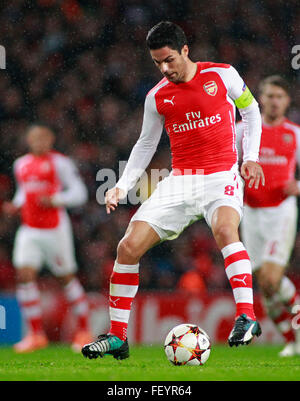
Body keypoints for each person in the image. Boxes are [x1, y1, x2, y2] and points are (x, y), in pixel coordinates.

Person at [82, 21, 265, 360]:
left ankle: (247, 316)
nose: (165, 69)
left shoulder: (222, 75)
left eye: (169, 60)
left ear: (185, 50)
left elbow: (251, 111)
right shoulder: (157, 97)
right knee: (128, 247)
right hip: (181, 180)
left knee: (226, 229)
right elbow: (146, 143)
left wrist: (250, 158)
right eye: (157, 63)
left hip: (220, 173)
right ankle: (118, 337)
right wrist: (121, 186)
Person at [2, 123, 92, 353]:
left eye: (43, 138)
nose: (39, 142)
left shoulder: (60, 163)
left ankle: (84, 330)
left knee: (66, 279)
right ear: (29, 141)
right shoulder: (20, 164)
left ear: (50, 140)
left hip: (55, 229)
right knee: (24, 275)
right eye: (35, 138)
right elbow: (24, 192)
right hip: (29, 229)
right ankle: (35, 334)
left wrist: (55, 200)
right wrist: (16, 204)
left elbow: (79, 193)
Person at [237, 75, 300, 357]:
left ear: (287, 101)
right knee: (264, 284)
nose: (274, 101)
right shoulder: (243, 130)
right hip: (250, 213)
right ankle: (292, 340)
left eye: (280, 96)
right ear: (260, 99)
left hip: (281, 211)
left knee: (273, 280)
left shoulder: (295, 134)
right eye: (270, 95)